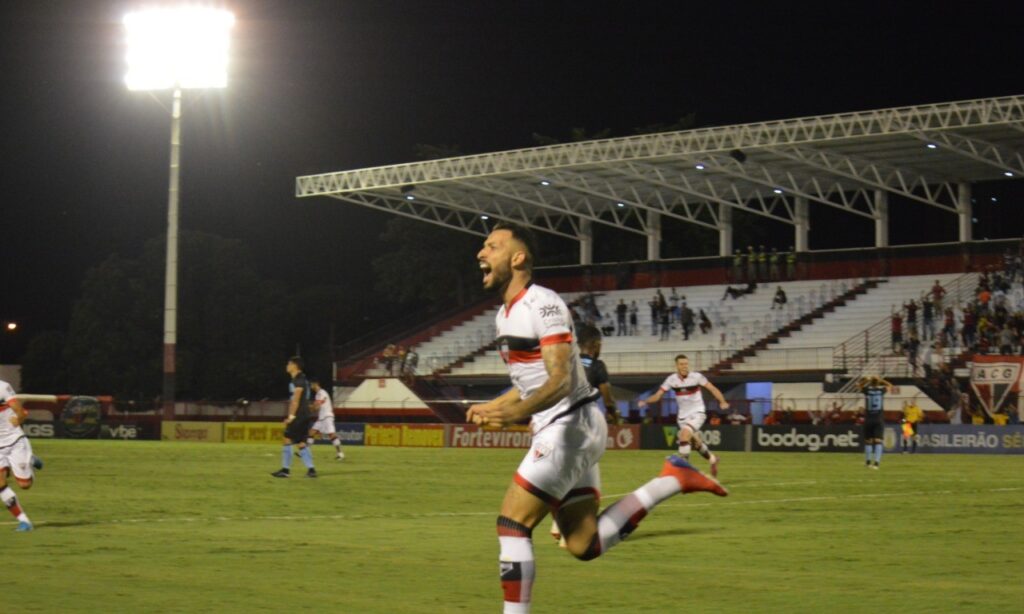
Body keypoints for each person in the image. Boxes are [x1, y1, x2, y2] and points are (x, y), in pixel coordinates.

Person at [468, 222, 726, 613]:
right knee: (583, 544)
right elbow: (528, 384)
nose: (481, 253)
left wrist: (513, 415)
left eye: (492, 246)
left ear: (518, 257)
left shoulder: (544, 304)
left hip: (568, 426)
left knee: (512, 524)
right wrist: (496, 408)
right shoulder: (504, 317)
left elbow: (560, 380)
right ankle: (672, 479)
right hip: (571, 426)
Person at [636, 355, 728, 477]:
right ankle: (712, 459)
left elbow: (713, 389)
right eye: (682, 364)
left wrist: (722, 401)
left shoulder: (696, 377)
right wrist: (646, 401)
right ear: (677, 365)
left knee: (684, 436)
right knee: (696, 444)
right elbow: (658, 396)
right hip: (682, 417)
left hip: (697, 413)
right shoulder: (671, 380)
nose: (685, 366)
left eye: (686, 364)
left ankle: (684, 474)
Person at [1, 379, 42, 531]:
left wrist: (19, 418)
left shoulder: (2, 387)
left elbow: (20, 411)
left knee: (25, 485)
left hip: (14, 441)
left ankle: (30, 459)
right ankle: (24, 521)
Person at [271, 357, 318, 478]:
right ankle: (311, 470)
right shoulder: (303, 379)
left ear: (295, 366)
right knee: (301, 442)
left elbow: (295, 401)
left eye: (289, 363)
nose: (287, 365)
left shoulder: (298, 380)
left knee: (287, 439)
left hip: (299, 415)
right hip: (305, 414)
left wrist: (291, 417)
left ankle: (285, 471)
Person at [859, 375, 893, 469]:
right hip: (878, 419)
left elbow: (858, 385)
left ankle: (868, 462)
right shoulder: (881, 391)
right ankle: (876, 463)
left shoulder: (867, 391)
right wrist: (881, 380)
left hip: (869, 419)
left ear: (870, 383)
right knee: (878, 441)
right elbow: (890, 385)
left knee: (868, 441)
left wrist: (866, 380)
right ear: (878, 383)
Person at [307, 379, 345, 461]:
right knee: (311, 432)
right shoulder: (318, 394)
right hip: (321, 418)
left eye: (311, 384)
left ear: (315, 384)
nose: (311, 386)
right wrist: (310, 407)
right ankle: (306, 452)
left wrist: (308, 406)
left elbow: (316, 407)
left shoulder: (321, 393)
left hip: (327, 416)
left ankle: (340, 453)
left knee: (332, 435)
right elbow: (315, 408)